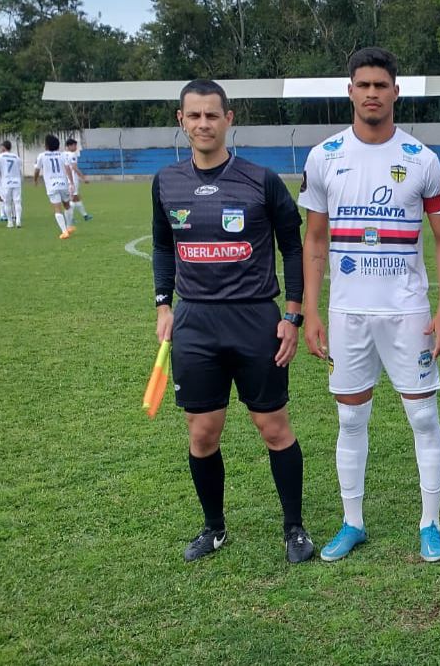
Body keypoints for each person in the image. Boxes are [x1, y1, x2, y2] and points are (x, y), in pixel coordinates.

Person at [299, 46, 440, 564]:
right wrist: (312, 311)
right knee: (350, 421)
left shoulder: (421, 159)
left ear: (395, 92)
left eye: (380, 85)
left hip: (407, 312)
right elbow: (314, 240)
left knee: (424, 417)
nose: (372, 93)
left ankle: (430, 524)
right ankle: (353, 522)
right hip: (347, 313)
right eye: (363, 85)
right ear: (350, 91)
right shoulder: (324, 156)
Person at [151, 79, 313, 564]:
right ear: (181, 121)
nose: (203, 123)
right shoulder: (165, 182)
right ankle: (214, 527)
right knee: (202, 433)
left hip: (255, 319)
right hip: (195, 324)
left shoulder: (261, 180)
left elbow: (293, 247)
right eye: (194, 115)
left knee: (273, 427)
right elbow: (162, 245)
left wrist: (293, 315)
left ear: (228, 119)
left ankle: (294, 528)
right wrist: (163, 305)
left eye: (211, 115)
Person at [32, 135, 75, 239]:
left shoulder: (42, 155)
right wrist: (71, 182)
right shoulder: (62, 154)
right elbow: (67, 168)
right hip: (63, 183)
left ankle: (64, 232)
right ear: (58, 145)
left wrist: (35, 180)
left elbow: (37, 170)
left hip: (52, 185)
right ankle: (69, 226)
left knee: (57, 208)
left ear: (46, 145)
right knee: (67, 205)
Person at [0, 141, 24, 228]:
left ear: (3, 147)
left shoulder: (0, 156)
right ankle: (18, 220)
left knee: (7, 202)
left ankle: (10, 222)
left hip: (6, 182)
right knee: (17, 201)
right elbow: (19, 170)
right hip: (16, 182)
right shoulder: (16, 157)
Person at [63, 138, 93, 222]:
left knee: (76, 197)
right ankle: (71, 218)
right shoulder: (72, 155)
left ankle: (85, 216)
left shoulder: (63, 154)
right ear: (69, 146)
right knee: (73, 198)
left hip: (66, 179)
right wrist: (83, 178)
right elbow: (74, 168)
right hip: (72, 179)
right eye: (74, 145)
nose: (76, 147)